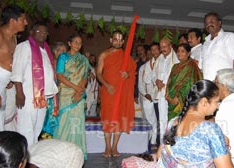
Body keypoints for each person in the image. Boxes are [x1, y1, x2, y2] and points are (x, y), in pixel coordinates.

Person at [158, 80, 233, 168]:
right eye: (216, 102)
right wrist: (226, 149)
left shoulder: (173, 122)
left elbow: (159, 155)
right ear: (204, 102)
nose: (218, 106)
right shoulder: (210, 129)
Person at [11, 22, 58, 146]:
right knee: (26, 128)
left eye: (45, 32)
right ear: (31, 32)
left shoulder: (46, 50)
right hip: (28, 95)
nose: (42, 34)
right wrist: (19, 93)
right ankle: (25, 157)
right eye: (39, 31)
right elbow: (17, 70)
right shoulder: (25, 47)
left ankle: (32, 156)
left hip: (41, 97)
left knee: (37, 129)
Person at [96, 30, 136, 158]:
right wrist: (107, 85)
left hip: (121, 92)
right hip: (108, 91)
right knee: (108, 118)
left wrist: (127, 75)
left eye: (120, 40)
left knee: (119, 117)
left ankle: (115, 147)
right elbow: (98, 73)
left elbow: (132, 71)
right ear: (111, 40)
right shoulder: (104, 55)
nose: (117, 42)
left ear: (123, 42)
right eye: (115, 39)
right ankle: (107, 146)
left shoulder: (126, 57)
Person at [53, 34, 90, 160]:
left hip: (78, 95)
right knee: (64, 122)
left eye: (80, 42)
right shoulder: (63, 57)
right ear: (69, 43)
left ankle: (76, 150)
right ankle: (61, 151)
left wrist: (79, 91)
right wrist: (75, 88)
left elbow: (85, 76)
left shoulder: (84, 59)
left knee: (76, 122)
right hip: (65, 93)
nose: (78, 45)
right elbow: (59, 75)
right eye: (75, 42)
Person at [0, 5, 28, 131]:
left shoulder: (14, 38)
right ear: (12, 21)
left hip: (3, 85)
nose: (26, 23)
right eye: (22, 19)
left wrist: (10, 78)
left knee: (0, 123)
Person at [202, 12, 234, 80]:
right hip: (208, 85)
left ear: (219, 23)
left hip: (225, 83)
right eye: (206, 23)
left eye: (211, 21)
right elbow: (201, 67)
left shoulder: (229, 36)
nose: (209, 24)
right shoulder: (205, 43)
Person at [165, 43, 202, 121]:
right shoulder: (175, 66)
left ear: (188, 53)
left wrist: (178, 98)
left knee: (180, 125)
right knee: (171, 124)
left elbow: (190, 85)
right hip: (171, 99)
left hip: (182, 101)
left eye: (182, 51)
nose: (179, 53)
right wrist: (167, 95)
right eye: (178, 51)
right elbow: (169, 81)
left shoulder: (191, 66)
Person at [152, 38, 179, 143]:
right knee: (162, 118)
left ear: (170, 46)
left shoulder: (176, 58)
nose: (163, 49)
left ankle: (172, 141)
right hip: (161, 92)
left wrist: (167, 83)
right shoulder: (159, 58)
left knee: (172, 117)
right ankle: (163, 143)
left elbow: (177, 75)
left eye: (165, 46)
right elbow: (154, 74)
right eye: (161, 47)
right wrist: (157, 81)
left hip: (172, 92)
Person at [41, 41, 67, 139]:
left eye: (65, 51)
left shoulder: (65, 64)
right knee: (49, 118)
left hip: (62, 96)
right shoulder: (50, 63)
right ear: (55, 52)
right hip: (51, 97)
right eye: (62, 51)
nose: (65, 53)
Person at [143, 42, 161, 147]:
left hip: (162, 95)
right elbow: (146, 79)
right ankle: (155, 141)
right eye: (152, 50)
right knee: (155, 120)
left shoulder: (164, 61)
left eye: (156, 49)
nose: (154, 52)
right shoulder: (148, 64)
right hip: (154, 95)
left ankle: (160, 142)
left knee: (161, 119)